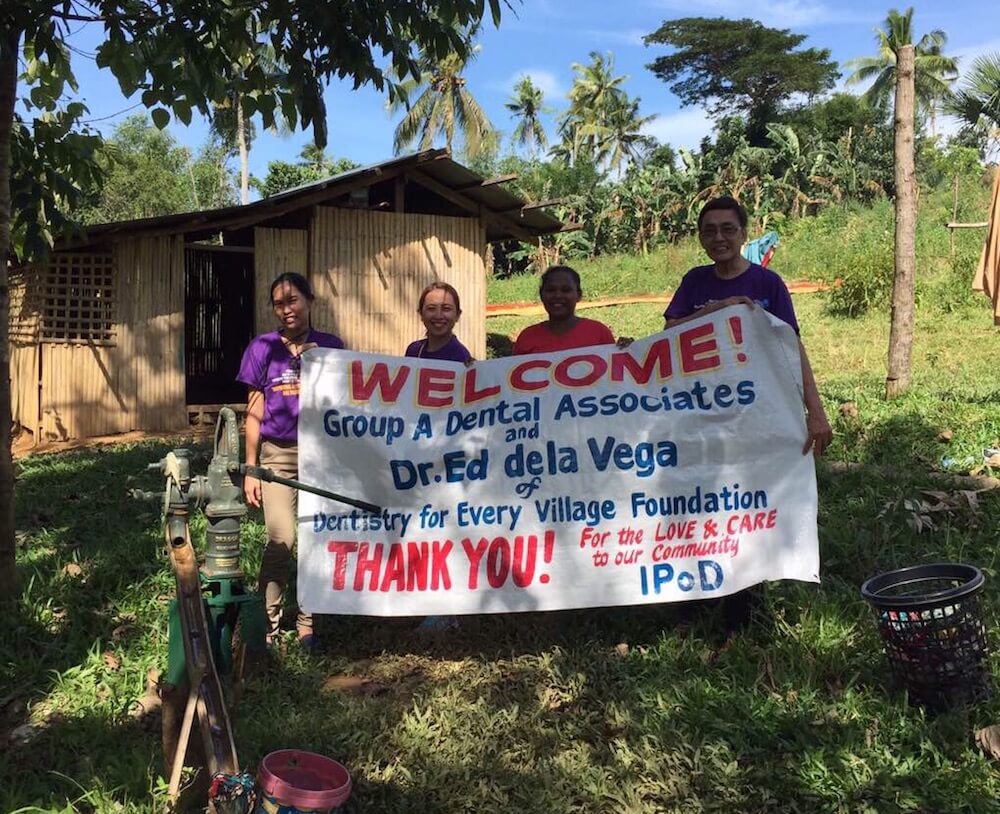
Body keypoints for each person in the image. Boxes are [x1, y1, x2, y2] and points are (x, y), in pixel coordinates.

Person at [663, 195, 832, 636]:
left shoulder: (768, 283)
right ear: (701, 237)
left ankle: (742, 612)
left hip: (756, 418)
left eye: (727, 229)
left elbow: (791, 347)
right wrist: (723, 309)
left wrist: (815, 412)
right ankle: (692, 604)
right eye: (709, 230)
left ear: (743, 232)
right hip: (701, 416)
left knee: (745, 505)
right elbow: (668, 336)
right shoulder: (695, 282)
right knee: (701, 503)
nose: (718, 237)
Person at [237, 272, 345, 651]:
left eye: (293, 300)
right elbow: (254, 410)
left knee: (316, 537)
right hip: (277, 456)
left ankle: (308, 622)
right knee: (280, 539)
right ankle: (267, 625)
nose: (287, 309)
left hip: (321, 457)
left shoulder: (331, 346)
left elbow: (344, 403)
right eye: (279, 303)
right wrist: (251, 467)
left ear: (310, 301)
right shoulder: (262, 348)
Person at [513, 265, 616, 355]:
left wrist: (629, 349)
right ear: (541, 295)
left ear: (578, 295)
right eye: (551, 290)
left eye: (566, 290)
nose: (558, 295)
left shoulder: (599, 333)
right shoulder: (527, 338)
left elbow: (616, 370)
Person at [406, 282, 472, 363]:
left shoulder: (462, 358)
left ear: (457, 315)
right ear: (421, 314)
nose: (438, 316)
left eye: (446, 309)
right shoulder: (413, 352)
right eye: (431, 308)